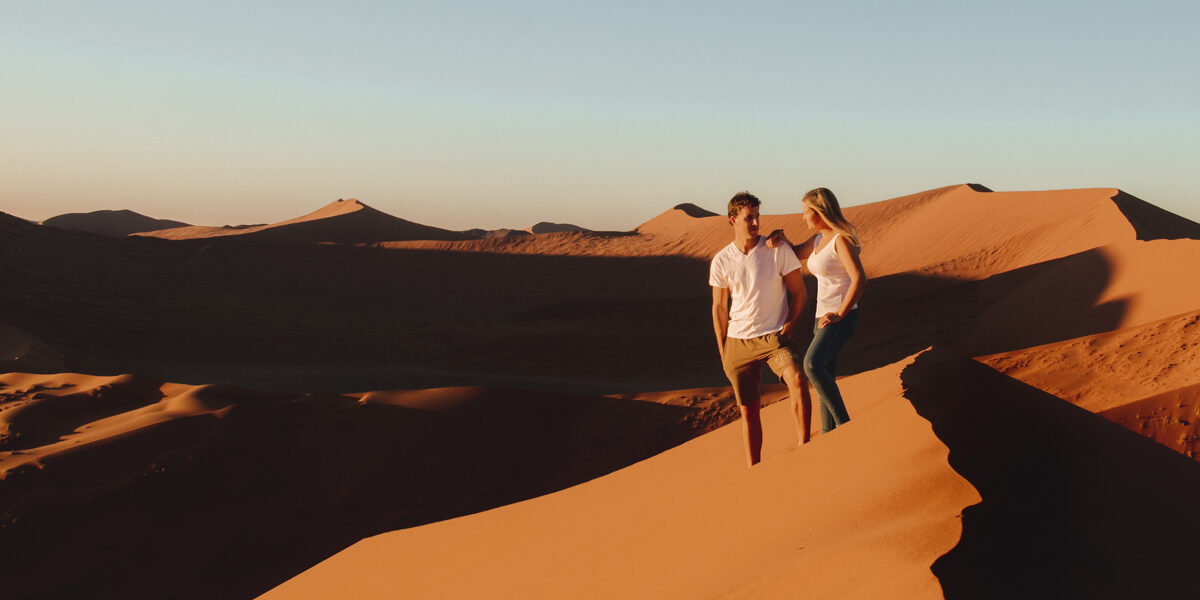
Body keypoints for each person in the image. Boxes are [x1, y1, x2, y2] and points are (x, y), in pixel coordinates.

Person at [710, 192, 812, 467]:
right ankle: (754, 470)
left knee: (797, 380)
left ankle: (806, 452)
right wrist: (723, 351)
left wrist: (789, 327)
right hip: (738, 345)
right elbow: (719, 308)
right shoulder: (721, 260)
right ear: (733, 220)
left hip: (773, 340)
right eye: (748, 217)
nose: (755, 222)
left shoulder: (776, 249)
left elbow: (799, 292)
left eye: (757, 216)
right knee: (749, 411)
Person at [768, 187, 866, 433]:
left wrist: (840, 313)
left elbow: (859, 278)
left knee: (812, 366)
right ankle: (829, 435)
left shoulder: (839, 240)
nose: (803, 217)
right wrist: (780, 240)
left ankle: (844, 427)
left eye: (806, 212)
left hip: (840, 317)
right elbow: (795, 253)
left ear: (820, 211)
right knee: (825, 377)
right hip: (822, 318)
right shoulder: (818, 240)